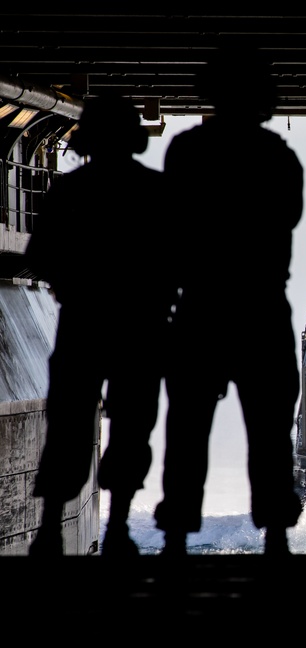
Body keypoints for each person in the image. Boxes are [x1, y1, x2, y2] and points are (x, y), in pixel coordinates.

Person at [152, 47, 304, 556]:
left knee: (188, 426)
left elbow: (170, 227)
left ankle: (175, 534)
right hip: (261, 307)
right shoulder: (279, 158)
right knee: (270, 429)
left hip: (201, 307)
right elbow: (286, 219)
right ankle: (277, 534)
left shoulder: (186, 152)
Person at [26, 94, 177, 557]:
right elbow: (185, 261)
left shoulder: (70, 192)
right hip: (142, 329)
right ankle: (116, 530)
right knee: (132, 429)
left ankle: (50, 529)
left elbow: (38, 258)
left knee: (68, 426)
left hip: (83, 324)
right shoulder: (160, 192)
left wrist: (73, 283)